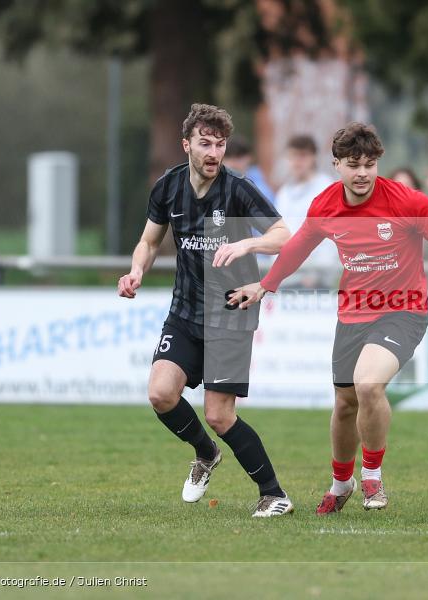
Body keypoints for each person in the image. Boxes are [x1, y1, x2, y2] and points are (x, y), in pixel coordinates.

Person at [230, 122, 428, 513]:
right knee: (344, 404)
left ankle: (372, 478)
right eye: (353, 164)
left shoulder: (406, 202)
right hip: (353, 312)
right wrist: (265, 285)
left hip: (404, 311)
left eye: (370, 164)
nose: (362, 173)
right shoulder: (325, 206)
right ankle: (342, 483)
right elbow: (297, 249)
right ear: (336, 164)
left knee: (368, 385)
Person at [117, 103, 295, 517]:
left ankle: (274, 494)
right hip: (184, 310)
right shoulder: (168, 187)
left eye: (220, 144)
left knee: (218, 414)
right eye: (205, 143)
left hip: (231, 312)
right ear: (187, 145)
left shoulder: (237, 188)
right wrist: (136, 270)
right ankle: (205, 454)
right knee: (161, 393)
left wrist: (248, 243)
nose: (214, 151)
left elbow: (283, 233)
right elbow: (148, 240)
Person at [274, 135, 337, 287]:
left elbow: (331, 236)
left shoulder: (326, 188)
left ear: (313, 157)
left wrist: (316, 274)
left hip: (314, 280)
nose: (297, 162)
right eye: (293, 156)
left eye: (302, 156)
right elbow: (277, 232)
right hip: (285, 279)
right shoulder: (284, 193)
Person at [224, 135, 276, 204]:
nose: (233, 163)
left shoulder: (261, 191)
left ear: (250, 158)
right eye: (228, 157)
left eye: (238, 156)